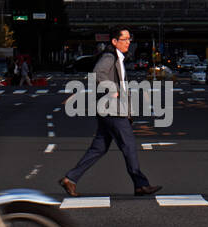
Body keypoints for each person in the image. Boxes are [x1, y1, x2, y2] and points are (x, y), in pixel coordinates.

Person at [59, 26, 161, 197]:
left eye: (130, 38)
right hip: (112, 110)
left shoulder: (117, 57)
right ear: (114, 42)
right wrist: (112, 89)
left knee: (99, 148)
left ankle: (70, 178)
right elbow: (97, 73)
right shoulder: (109, 56)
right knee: (128, 146)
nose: (129, 42)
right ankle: (141, 184)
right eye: (125, 39)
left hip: (109, 110)